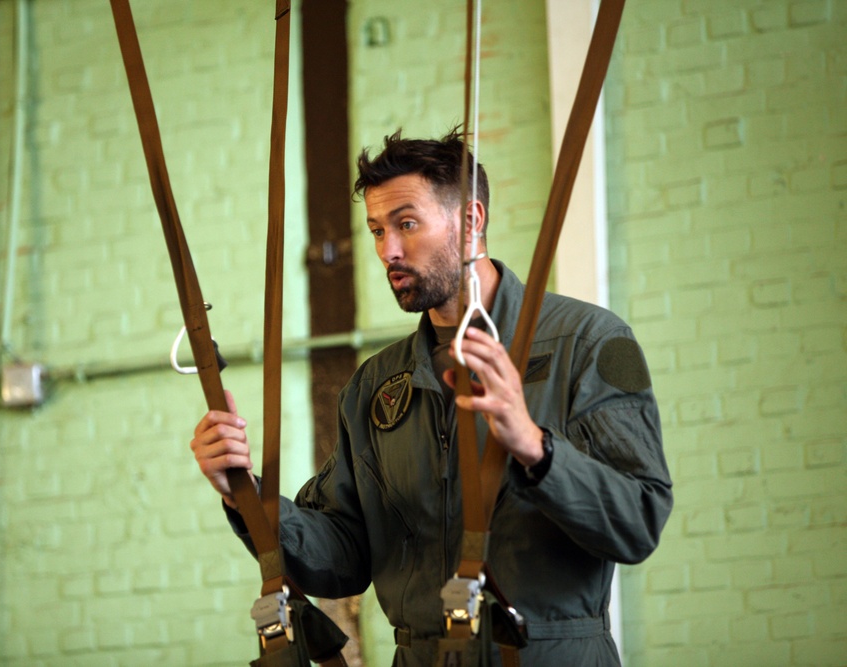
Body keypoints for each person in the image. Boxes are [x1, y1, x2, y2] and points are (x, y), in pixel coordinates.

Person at [190, 129, 673, 666]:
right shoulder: (375, 385)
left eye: (407, 224)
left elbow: (639, 521)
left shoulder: (591, 342)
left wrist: (536, 448)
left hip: (551, 653)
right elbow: (342, 557)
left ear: (471, 221)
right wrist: (243, 492)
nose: (387, 250)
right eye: (377, 230)